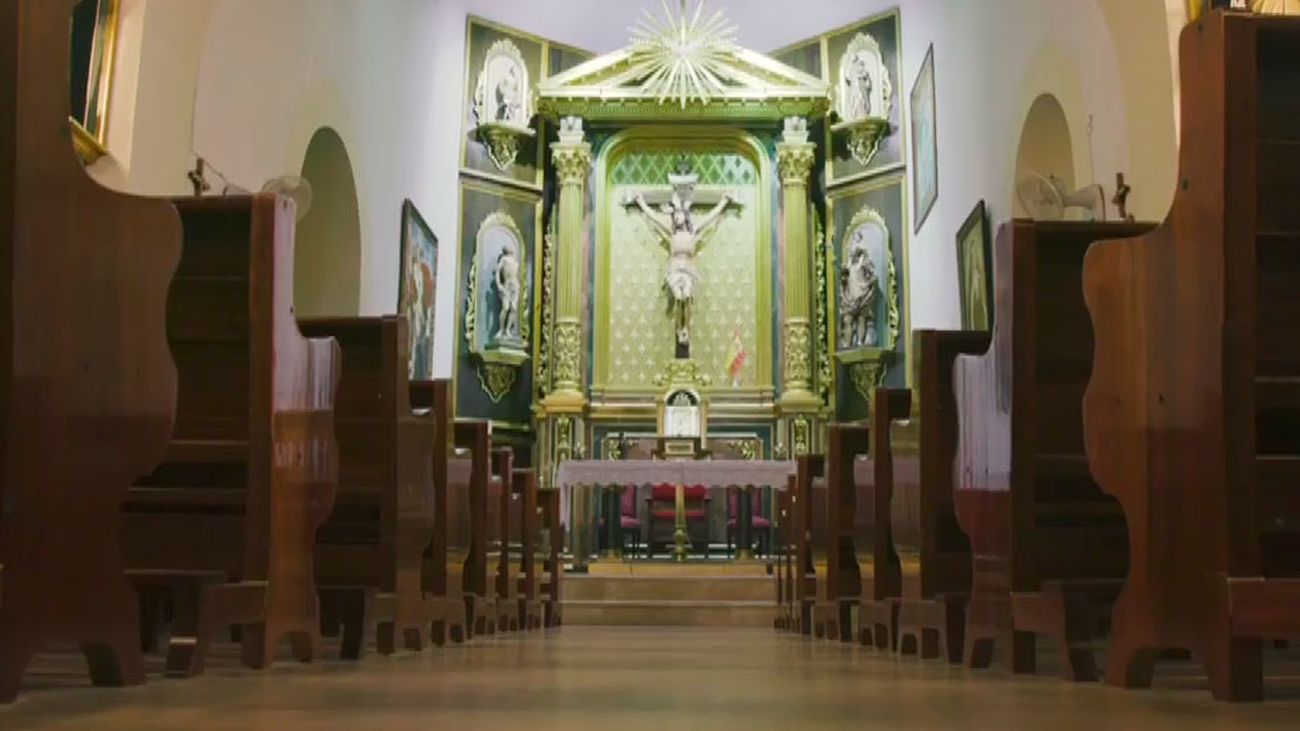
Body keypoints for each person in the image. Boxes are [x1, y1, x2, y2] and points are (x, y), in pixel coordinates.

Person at [493, 240, 521, 342]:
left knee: (513, 309)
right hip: (507, 285)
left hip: (515, 286)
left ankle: (508, 330)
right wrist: (498, 285)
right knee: (505, 308)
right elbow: (497, 271)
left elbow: (517, 275)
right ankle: (501, 329)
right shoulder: (504, 259)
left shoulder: (515, 262)